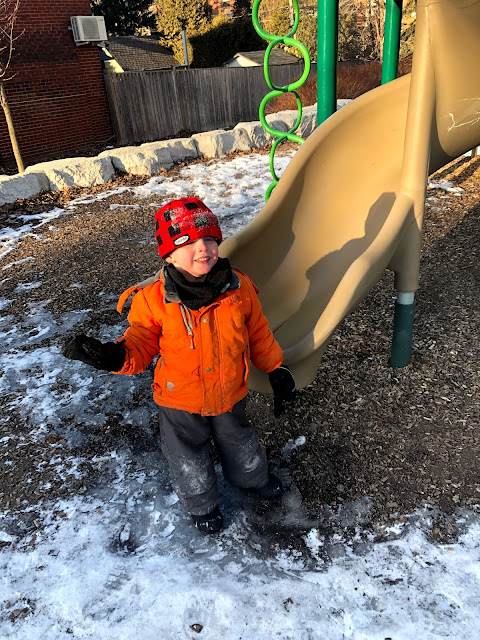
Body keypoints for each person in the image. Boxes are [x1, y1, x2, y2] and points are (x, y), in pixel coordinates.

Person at [62, 197, 295, 534]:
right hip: (179, 399)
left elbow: (258, 332)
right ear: (169, 254)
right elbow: (141, 342)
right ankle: (201, 504)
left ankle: (252, 478)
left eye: (210, 239)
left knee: (240, 441)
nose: (203, 249)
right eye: (188, 242)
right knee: (187, 455)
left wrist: (275, 368)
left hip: (229, 391)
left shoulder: (238, 287)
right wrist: (114, 356)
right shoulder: (153, 299)